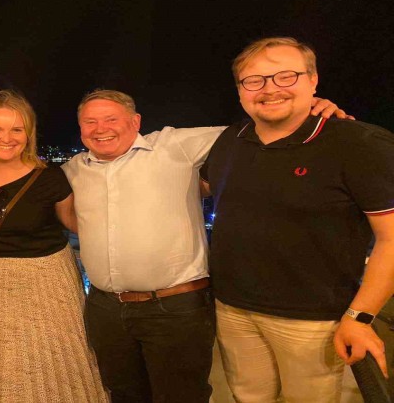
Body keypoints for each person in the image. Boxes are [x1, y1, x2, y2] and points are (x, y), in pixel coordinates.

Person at [62, 88, 346, 402]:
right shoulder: (73, 169)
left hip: (173, 308)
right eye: (90, 122)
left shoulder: (174, 145)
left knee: (182, 396)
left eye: (111, 119)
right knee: (123, 394)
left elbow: (252, 131)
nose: (100, 129)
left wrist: (305, 109)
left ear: (135, 121)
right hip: (106, 309)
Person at [201, 37, 394, 402]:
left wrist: (361, 316)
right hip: (232, 308)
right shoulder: (231, 139)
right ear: (240, 90)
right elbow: (200, 188)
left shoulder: (358, 143)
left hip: (313, 320)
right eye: (254, 80)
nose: (270, 89)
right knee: (247, 398)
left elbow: (391, 238)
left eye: (285, 76)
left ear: (313, 80)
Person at [0, 90, 108, 402]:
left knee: (58, 369)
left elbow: (76, 223)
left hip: (50, 284)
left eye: (17, 129)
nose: (7, 138)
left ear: (28, 134)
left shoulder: (49, 177)